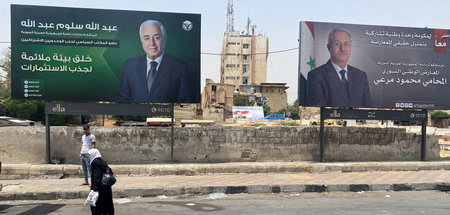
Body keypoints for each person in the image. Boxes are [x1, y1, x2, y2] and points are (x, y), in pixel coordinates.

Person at [117, 20, 194, 103]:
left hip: (165, 114)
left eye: (157, 37)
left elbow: (185, 101)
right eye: (146, 38)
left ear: (164, 39)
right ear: (141, 40)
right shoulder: (129, 66)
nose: (152, 43)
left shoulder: (180, 68)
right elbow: (122, 98)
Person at [307, 28, 372, 107]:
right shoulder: (316, 75)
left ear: (350, 47)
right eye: (337, 44)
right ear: (328, 47)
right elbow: (318, 109)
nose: (342, 48)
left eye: (346, 44)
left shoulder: (361, 76)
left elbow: (368, 108)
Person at [88, 148, 114, 215]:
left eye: (89, 154)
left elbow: (97, 176)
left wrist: (94, 189)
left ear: (93, 154)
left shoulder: (94, 163)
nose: (88, 156)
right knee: (106, 204)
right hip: (106, 187)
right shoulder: (102, 161)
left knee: (97, 206)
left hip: (100, 188)